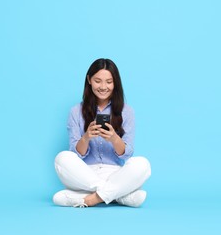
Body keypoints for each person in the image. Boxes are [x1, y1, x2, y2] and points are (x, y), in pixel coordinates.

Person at [53, 58, 151, 208]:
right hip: (85, 175)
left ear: (115, 83)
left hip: (115, 174)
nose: (103, 87)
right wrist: (86, 137)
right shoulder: (75, 111)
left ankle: (92, 198)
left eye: (109, 82)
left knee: (143, 164)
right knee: (62, 158)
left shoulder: (127, 111)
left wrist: (114, 139)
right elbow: (75, 154)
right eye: (98, 81)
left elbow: (127, 153)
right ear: (89, 80)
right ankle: (118, 195)